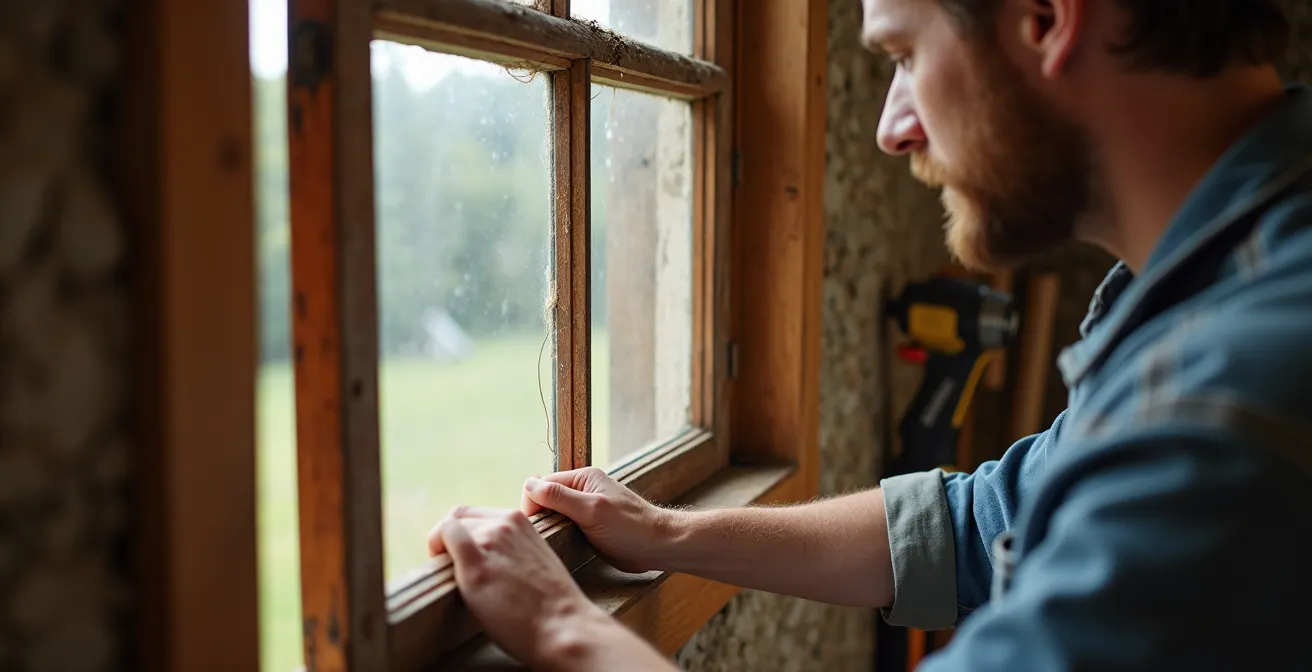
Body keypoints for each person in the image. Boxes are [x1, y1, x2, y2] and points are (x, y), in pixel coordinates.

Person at [430, 0, 1312, 668]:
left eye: (904, 54)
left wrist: (560, 626)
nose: (892, 130)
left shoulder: (1225, 403)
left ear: (1045, 21)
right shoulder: (1219, 288)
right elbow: (984, 523)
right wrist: (668, 533)